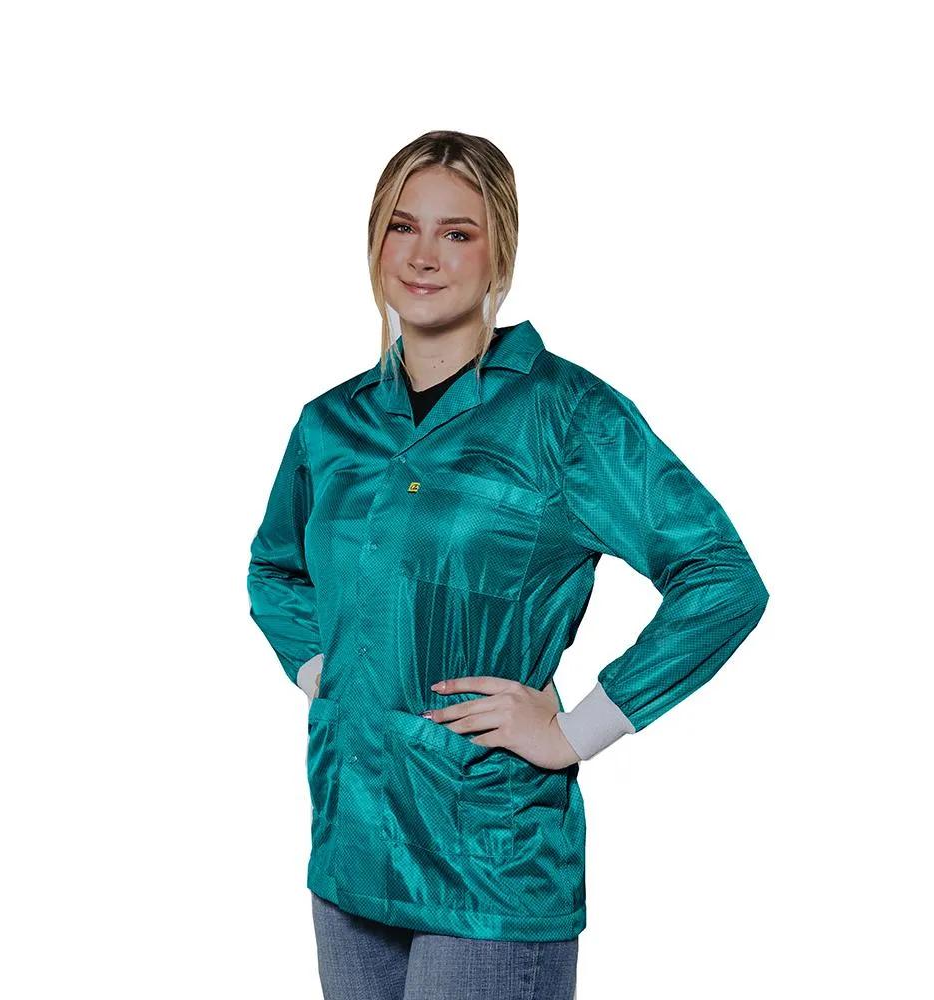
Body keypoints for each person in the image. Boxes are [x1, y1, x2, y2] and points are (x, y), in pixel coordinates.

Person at [247, 130, 770, 1000]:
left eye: (457, 233)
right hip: (348, 848)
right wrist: (324, 673)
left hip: (490, 861)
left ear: (501, 255)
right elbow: (276, 570)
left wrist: (577, 729)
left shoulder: (567, 416)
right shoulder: (330, 425)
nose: (423, 256)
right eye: (402, 226)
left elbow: (720, 577)